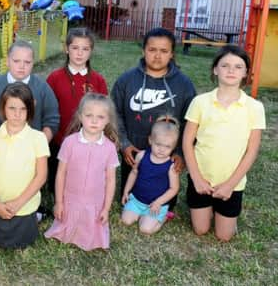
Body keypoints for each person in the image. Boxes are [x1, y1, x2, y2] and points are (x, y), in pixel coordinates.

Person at [182, 45, 265, 242]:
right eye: (225, 65)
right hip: (201, 180)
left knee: (223, 236)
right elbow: (187, 142)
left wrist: (230, 184)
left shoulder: (254, 107)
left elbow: (251, 151)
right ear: (215, 69)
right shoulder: (200, 102)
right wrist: (197, 178)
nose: (231, 70)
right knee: (201, 230)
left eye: (238, 67)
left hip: (232, 184)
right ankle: (207, 207)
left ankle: (225, 215)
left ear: (245, 73)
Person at [111, 27, 195, 216]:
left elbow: (191, 122)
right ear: (143, 51)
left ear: (172, 54)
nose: (157, 56)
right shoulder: (126, 80)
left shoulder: (184, 84)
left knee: (165, 204)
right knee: (130, 199)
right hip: (133, 153)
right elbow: (114, 114)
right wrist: (124, 144)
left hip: (166, 155)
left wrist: (180, 153)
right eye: (152, 50)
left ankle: (164, 207)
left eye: (164, 51)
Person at [44, 93, 120, 251]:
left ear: (107, 120)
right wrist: (59, 202)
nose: (94, 121)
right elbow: (60, 174)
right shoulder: (70, 142)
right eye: (89, 115)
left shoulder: (109, 147)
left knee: (92, 227)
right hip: (71, 198)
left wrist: (106, 208)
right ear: (80, 116)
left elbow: (111, 180)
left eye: (100, 117)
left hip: (95, 201)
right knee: (67, 224)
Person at [0, 82, 49, 249]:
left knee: (24, 243)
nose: (17, 114)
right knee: (0, 242)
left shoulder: (38, 138)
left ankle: (35, 217)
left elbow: (41, 175)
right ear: (3, 108)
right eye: (12, 108)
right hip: (0, 203)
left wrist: (19, 202)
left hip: (25, 204)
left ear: (30, 110)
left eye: (23, 109)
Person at [46, 27, 107, 191]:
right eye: (75, 48)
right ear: (66, 49)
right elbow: (48, 110)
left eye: (85, 49)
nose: (79, 53)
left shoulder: (98, 80)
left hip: (88, 141)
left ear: (91, 51)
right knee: (57, 183)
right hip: (60, 140)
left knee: (82, 183)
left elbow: (104, 112)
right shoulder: (54, 78)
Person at [0, 40, 59, 142]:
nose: (22, 66)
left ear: (33, 63)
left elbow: (51, 120)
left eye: (27, 62)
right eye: (16, 61)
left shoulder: (42, 88)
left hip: (31, 151)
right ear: (7, 61)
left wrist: (40, 145)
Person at [121, 115, 180, 235]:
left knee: (146, 230)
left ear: (173, 147)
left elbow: (174, 188)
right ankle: (140, 213)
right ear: (150, 140)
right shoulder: (142, 156)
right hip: (137, 200)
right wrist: (126, 191)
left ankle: (163, 217)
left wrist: (159, 202)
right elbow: (134, 173)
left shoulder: (171, 166)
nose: (161, 149)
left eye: (167, 146)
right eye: (158, 144)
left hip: (156, 205)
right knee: (125, 221)